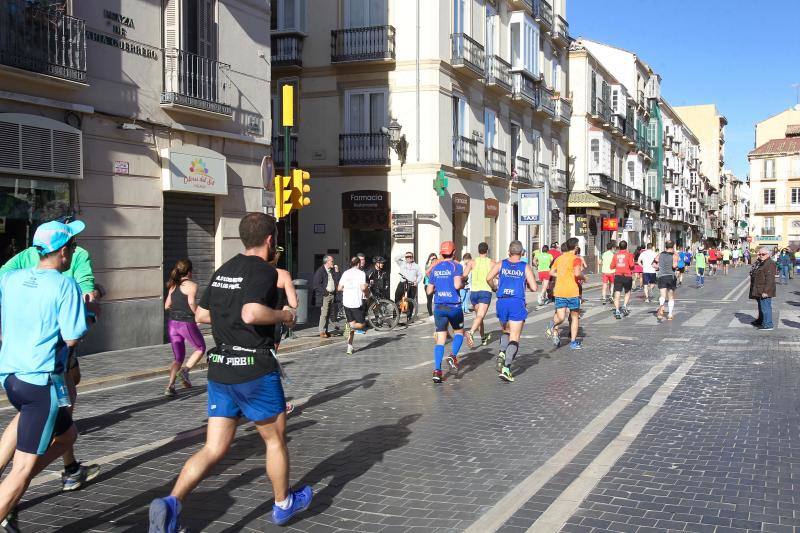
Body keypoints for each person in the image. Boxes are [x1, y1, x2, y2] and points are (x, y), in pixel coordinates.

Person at [148, 213, 311, 531]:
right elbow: (251, 312)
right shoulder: (264, 271)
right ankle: (283, 503)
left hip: (221, 369)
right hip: (254, 369)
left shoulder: (225, 269)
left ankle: (172, 502)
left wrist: (230, 321)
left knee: (213, 448)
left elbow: (203, 316)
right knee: (275, 440)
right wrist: (284, 316)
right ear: (269, 239)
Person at [0, 202, 100, 496]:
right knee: (22, 467)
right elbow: (72, 336)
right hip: (44, 373)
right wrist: (88, 307)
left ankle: (68, 470)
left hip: (11, 372)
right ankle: (10, 496)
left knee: (66, 433)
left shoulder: (15, 273)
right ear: (64, 249)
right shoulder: (67, 275)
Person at [486, 241, 537, 381]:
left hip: (502, 301)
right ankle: (507, 368)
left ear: (509, 251)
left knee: (506, 331)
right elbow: (534, 287)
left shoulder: (501, 264)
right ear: (522, 253)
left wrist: (494, 288)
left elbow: (488, 278)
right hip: (516, 301)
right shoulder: (524, 266)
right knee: (514, 336)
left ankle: (502, 352)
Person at [426, 241, 470, 383]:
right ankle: (452, 356)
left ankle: (437, 371)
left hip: (439, 306)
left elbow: (429, 290)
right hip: (454, 306)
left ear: (441, 253)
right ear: (454, 252)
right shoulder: (456, 266)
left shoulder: (435, 267)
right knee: (459, 332)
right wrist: (463, 283)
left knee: (440, 340)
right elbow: (458, 284)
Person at [164, 259, 206, 397]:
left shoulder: (173, 286)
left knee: (178, 358)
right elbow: (191, 303)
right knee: (200, 348)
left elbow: (166, 306)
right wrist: (198, 315)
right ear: (189, 271)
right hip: (185, 323)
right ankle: (185, 371)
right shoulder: (192, 285)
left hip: (172, 324)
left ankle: (170, 386)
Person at [544, 238, 584, 350]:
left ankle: (551, 324)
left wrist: (561, 275)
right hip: (572, 291)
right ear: (575, 247)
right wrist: (583, 278)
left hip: (560, 291)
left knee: (560, 317)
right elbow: (577, 274)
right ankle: (573, 342)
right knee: (575, 316)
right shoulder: (576, 259)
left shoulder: (559, 259)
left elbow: (551, 272)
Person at [339, 257, 369, 356]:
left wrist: (348, 290)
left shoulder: (345, 273)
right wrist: (367, 293)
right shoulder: (361, 273)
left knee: (351, 324)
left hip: (346, 302)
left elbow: (339, 288)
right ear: (358, 264)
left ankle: (349, 347)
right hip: (356, 303)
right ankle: (349, 326)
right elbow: (363, 287)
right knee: (362, 325)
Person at [466, 243, 494, 347]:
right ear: (487, 251)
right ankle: (471, 332)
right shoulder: (491, 262)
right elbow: (498, 275)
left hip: (474, 292)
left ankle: (483, 338)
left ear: (478, 250)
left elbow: (464, 275)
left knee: (479, 317)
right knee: (480, 316)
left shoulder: (472, 262)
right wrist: (495, 287)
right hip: (485, 292)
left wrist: (464, 281)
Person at [312, 255, 340, 338]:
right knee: (324, 314)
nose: (333, 263)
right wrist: (325, 292)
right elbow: (316, 284)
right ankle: (321, 331)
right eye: (332, 261)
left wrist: (337, 271)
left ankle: (326, 330)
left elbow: (338, 280)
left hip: (332, 295)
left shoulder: (331, 270)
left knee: (328, 314)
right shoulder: (320, 271)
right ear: (327, 262)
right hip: (325, 296)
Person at [749, 248, 777, 331]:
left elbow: (770, 279)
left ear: (768, 255)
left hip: (764, 290)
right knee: (761, 306)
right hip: (758, 288)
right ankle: (761, 321)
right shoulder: (761, 263)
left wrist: (766, 291)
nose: (761, 256)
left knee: (766, 307)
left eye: (763, 254)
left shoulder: (770, 263)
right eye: (759, 254)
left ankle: (768, 324)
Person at [394, 251, 424, 320]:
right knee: (397, 299)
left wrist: (417, 282)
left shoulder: (416, 266)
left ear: (412, 257)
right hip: (402, 283)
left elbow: (420, 275)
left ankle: (409, 317)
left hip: (412, 284)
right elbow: (396, 258)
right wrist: (404, 254)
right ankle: (396, 317)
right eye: (407, 257)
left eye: (410, 257)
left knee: (410, 301)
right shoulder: (402, 263)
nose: (408, 258)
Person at [654, 241, 679, 321]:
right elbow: (674, 265)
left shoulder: (660, 254)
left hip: (661, 276)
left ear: (666, 246)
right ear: (673, 246)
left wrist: (658, 267)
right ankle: (670, 314)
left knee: (662, 296)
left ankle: (661, 307)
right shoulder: (674, 255)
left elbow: (654, 264)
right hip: (670, 276)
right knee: (670, 296)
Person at [612, 241, 635, 319]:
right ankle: (624, 306)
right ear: (626, 246)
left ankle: (617, 310)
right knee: (627, 291)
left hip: (618, 275)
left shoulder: (615, 255)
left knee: (617, 292)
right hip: (627, 276)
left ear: (619, 246)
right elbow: (632, 265)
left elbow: (611, 266)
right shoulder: (629, 255)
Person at [423, 253, 438, 321]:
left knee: (437, 300)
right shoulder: (427, 266)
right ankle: (430, 314)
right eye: (432, 259)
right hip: (428, 285)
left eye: (435, 258)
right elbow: (427, 273)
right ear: (429, 260)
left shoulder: (437, 266)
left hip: (436, 285)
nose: (434, 260)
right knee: (429, 300)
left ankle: (437, 313)